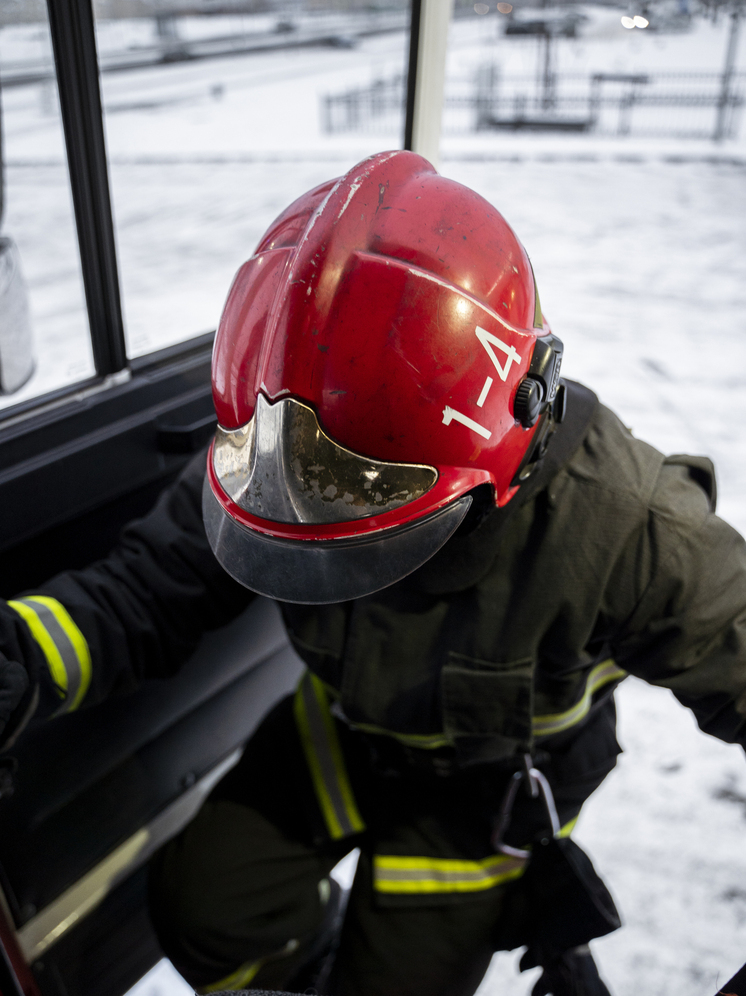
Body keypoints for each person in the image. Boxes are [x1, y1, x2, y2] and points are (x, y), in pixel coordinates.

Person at [1, 151, 745, 996]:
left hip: (481, 796)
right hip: (344, 733)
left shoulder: (632, 526)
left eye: (362, 499)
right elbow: (150, 586)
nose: (320, 525)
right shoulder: (282, 439)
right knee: (201, 909)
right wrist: (19, 656)